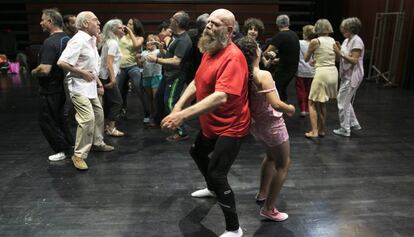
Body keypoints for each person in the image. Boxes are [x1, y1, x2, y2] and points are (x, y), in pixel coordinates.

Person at [161, 9, 249, 237]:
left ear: (229, 31)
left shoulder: (233, 57)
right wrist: (178, 107)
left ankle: (234, 229)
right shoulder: (210, 50)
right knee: (197, 152)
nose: (208, 26)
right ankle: (211, 188)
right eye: (208, 22)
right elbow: (196, 82)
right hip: (211, 123)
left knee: (218, 173)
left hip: (232, 126)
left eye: (216, 23)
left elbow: (221, 96)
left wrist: (182, 116)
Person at [236, 36, 295, 222]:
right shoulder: (263, 76)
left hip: (257, 125)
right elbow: (276, 104)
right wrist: (290, 108)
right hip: (273, 125)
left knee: (270, 157)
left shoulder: (243, 74)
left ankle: (262, 194)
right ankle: (269, 208)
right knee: (283, 165)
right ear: (255, 52)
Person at [57, 11, 114, 171]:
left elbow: (91, 66)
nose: (99, 23)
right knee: (87, 118)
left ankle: (97, 143)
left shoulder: (92, 40)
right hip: (78, 86)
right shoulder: (78, 41)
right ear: (85, 24)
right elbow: (62, 62)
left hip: (90, 85)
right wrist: (82, 73)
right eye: (95, 20)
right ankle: (79, 155)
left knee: (98, 113)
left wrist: (98, 82)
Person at [31, 8, 74, 162]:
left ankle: (63, 149)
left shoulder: (50, 42)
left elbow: (44, 70)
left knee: (46, 120)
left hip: (51, 89)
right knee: (60, 119)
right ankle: (71, 145)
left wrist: (33, 72)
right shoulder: (68, 39)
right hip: (64, 87)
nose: (41, 22)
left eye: (43, 19)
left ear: (50, 22)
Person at [147, 11, 192, 142]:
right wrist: (162, 50)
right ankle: (164, 122)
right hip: (168, 75)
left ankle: (181, 132)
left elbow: (176, 61)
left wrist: (156, 60)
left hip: (176, 76)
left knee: (171, 102)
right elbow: (171, 56)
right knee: (160, 97)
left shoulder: (183, 40)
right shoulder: (176, 37)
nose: (169, 21)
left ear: (177, 23)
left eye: (172, 19)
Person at [304, 19, 338, 138]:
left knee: (312, 102)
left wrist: (312, 57)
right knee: (322, 103)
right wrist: (317, 60)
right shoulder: (333, 40)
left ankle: (314, 131)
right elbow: (334, 57)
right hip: (333, 72)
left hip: (322, 73)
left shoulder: (315, 41)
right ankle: (321, 130)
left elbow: (306, 58)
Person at [333, 17, 364, 137]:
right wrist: (339, 50)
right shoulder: (347, 41)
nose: (342, 31)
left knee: (342, 102)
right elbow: (343, 55)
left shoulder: (357, 41)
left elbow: (354, 60)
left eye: (344, 28)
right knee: (344, 99)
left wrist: (339, 52)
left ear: (351, 29)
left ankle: (345, 129)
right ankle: (353, 123)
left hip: (353, 76)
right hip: (346, 74)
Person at [117, 18, 149, 122]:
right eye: (128, 23)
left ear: (135, 26)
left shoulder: (140, 38)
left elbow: (136, 45)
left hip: (133, 66)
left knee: (139, 89)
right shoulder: (121, 36)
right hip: (120, 67)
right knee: (119, 90)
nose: (127, 25)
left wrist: (130, 32)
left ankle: (147, 114)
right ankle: (122, 111)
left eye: (130, 24)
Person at [263, 15, 299, 102]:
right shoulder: (294, 35)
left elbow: (267, 53)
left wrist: (261, 53)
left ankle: (278, 110)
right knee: (282, 90)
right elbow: (290, 54)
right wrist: (277, 60)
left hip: (284, 69)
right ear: (289, 23)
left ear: (277, 24)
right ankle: (283, 110)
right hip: (293, 69)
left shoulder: (280, 35)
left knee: (276, 90)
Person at [98, 19, 125, 136]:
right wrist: (113, 79)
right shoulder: (113, 43)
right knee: (117, 102)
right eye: (119, 28)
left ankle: (105, 127)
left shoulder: (110, 41)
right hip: (108, 76)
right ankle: (111, 128)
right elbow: (109, 62)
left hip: (105, 75)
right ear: (112, 29)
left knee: (109, 103)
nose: (122, 29)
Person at [140, 34, 163, 127]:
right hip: (146, 76)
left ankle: (157, 117)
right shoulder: (144, 52)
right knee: (150, 98)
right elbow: (140, 64)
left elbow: (162, 54)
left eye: (152, 40)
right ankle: (152, 115)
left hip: (156, 76)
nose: (150, 42)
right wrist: (139, 59)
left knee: (155, 97)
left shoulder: (158, 51)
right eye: (148, 40)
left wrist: (158, 45)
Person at [296, 25, 315, 117]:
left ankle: (303, 109)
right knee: (309, 91)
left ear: (305, 34)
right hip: (312, 71)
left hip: (300, 71)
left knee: (300, 90)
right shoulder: (315, 43)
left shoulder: (299, 43)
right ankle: (308, 109)